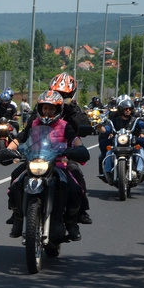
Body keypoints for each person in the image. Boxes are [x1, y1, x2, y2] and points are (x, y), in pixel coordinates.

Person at [0, 90, 87, 242]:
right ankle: (18, 217)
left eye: (51, 108)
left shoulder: (65, 126)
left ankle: (72, 223)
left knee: (74, 188)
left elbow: (75, 140)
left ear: (58, 110)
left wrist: (77, 149)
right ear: (40, 109)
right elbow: (20, 138)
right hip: (34, 161)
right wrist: (8, 150)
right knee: (15, 182)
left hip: (58, 163)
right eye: (45, 108)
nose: (47, 111)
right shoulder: (33, 123)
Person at [46, 72, 93, 224]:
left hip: (64, 155)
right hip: (41, 153)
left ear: (71, 95)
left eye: (64, 94)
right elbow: (29, 128)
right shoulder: (43, 107)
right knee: (19, 178)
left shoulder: (73, 110)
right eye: (57, 93)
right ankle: (18, 214)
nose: (60, 97)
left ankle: (80, 212)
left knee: (77, 178)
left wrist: (71, 109)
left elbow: (84, 125)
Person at [99, 95, 144, 171]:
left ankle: (140, 169)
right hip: (117, 141)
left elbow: (143, 125)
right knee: (104, 145)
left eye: (130, 109)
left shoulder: (135, 119)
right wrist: (98, 126)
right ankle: (107, 170)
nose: (128, 110)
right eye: (126, 109)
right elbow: (106, 129)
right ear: (121, 109)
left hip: (132, 141)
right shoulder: (114, 120)